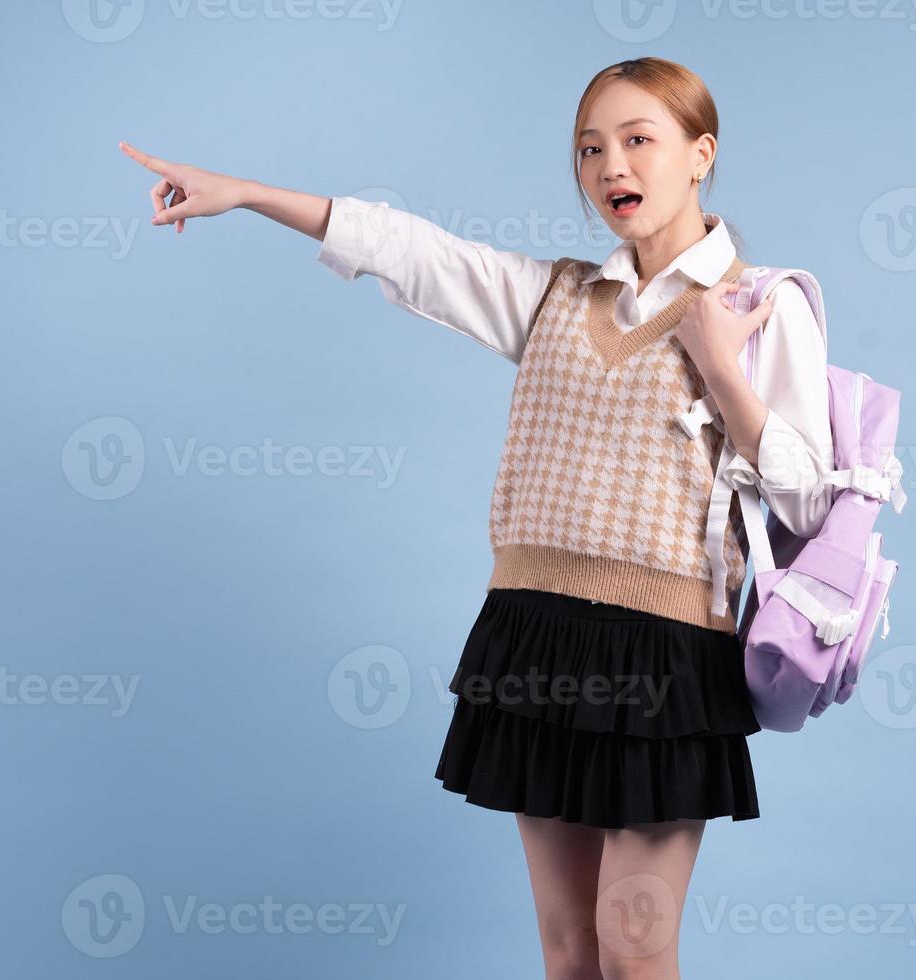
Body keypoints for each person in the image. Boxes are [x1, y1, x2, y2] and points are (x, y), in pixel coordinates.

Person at [120, 55, 834, 980]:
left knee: (636, 945)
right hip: (535, 634)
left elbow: (809, 496)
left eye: (637, 140)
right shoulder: (554, 296)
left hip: (663, 654)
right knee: (570, 949)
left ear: (701, 154)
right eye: (589, 149)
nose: (610, 166)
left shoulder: (763, 306)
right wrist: (248, 193)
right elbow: (408, 249)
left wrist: (724, 367)